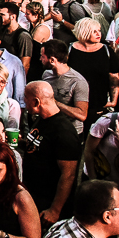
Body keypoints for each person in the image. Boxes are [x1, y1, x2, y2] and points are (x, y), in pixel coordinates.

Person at [20, 80, 81, 225]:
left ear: (36, 102)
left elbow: (68, 175)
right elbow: (38, 147)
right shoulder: (42, 120)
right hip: (34, 196)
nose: (24, 102)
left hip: (48, 203)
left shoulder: (64, 132)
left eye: (25, 98)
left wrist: (55, 210)